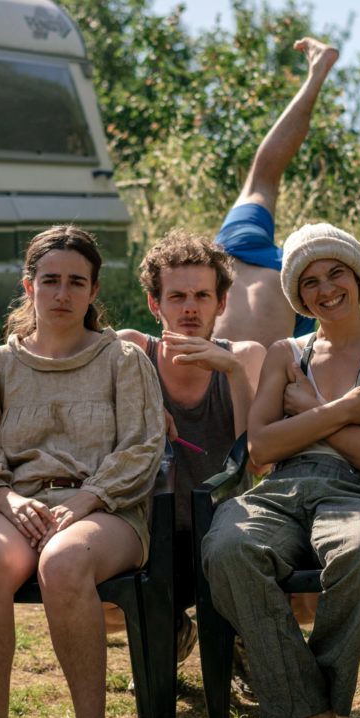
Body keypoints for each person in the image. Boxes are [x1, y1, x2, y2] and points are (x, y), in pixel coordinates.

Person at [0, 225, 166, 718]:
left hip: (107, 507)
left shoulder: (122, 359)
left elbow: (143, 447)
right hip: (20, 503)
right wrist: (6, 498)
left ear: (93, 291)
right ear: (29, 287)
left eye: (76, 282)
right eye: (50, 281)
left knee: (63, 564)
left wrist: (89, 499)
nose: (62, 293)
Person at [201, 222, 360, 718]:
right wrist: (343, 412)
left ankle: (308, 712)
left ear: (359, 277)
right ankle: (307, 701)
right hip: (280, 488)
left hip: (359, 494)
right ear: (296, 295)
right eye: (309, 282)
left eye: (336, 274)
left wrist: (304, 409)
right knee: (228, 548)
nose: (325, 290)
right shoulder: (285, 352)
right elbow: (259, 446)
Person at [117, 230, 265, 662]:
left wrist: (234, 372)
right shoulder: (132, 351)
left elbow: (254, 458)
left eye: (202, 295)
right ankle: (175, 629)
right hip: (150, 529)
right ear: (154, 304)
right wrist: (145, 409)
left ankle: (238, 643)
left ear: (221, 303)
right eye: (176, 296)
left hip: (226, 528)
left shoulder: (246, 355)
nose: (189, 308)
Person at [213, 36, 341, 349]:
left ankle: (317, 74)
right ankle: (316, 76)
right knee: (262, 180)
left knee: (262, 181)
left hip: (269, 282)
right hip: (230, 263)